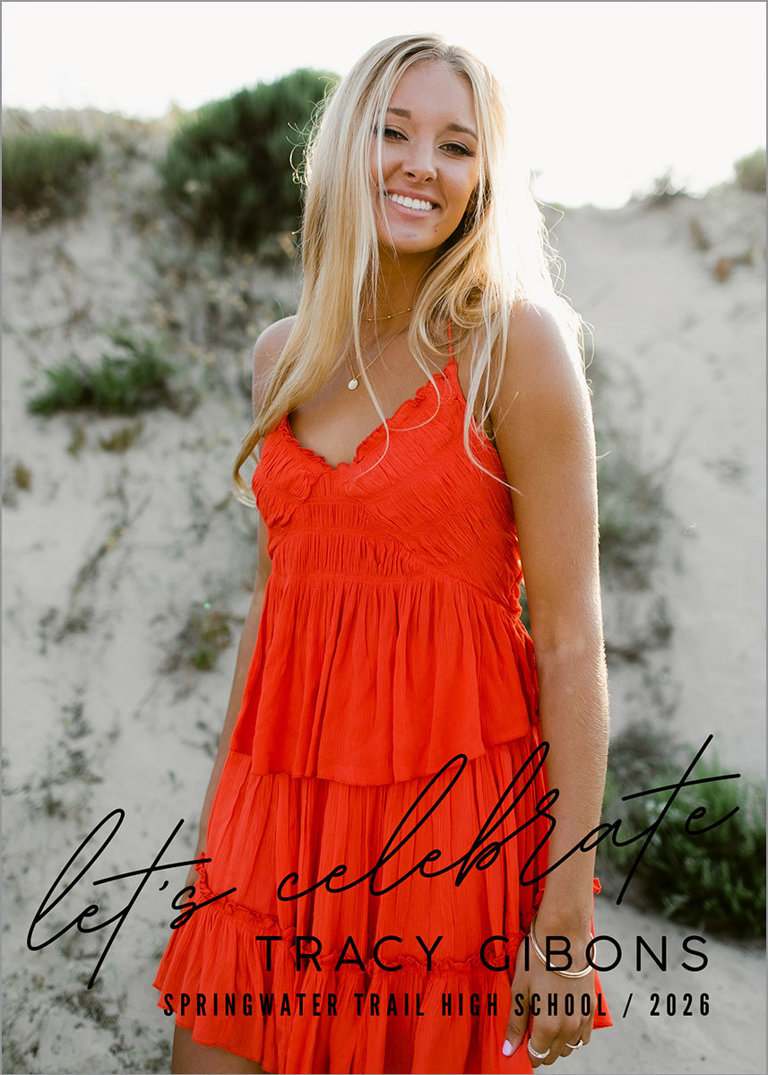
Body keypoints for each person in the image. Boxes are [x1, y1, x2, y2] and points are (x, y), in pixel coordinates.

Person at [153, 32, 613, 1074]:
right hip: (276, 817)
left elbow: (571, 641)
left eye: (456, 145)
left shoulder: (517, 347)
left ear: (485, 178)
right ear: (344, 149)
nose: (420, 165)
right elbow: (273, 605)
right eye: (393, 131)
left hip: (444, 841)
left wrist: (565, 913)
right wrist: (220, 827)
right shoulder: (283, 355)